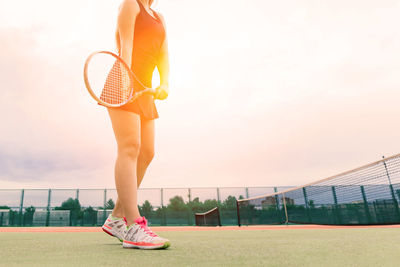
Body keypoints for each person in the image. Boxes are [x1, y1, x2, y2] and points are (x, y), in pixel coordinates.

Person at [101, 0, 170, 249]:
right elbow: (126, 46)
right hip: (123, 79)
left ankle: (116, 218)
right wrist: (125, 80)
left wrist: (165, 83)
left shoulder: (159, 16)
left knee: (147, 152)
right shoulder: (131, 4)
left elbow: (163, 54)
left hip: (145, 89)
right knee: (130, 147)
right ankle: (133, 226)